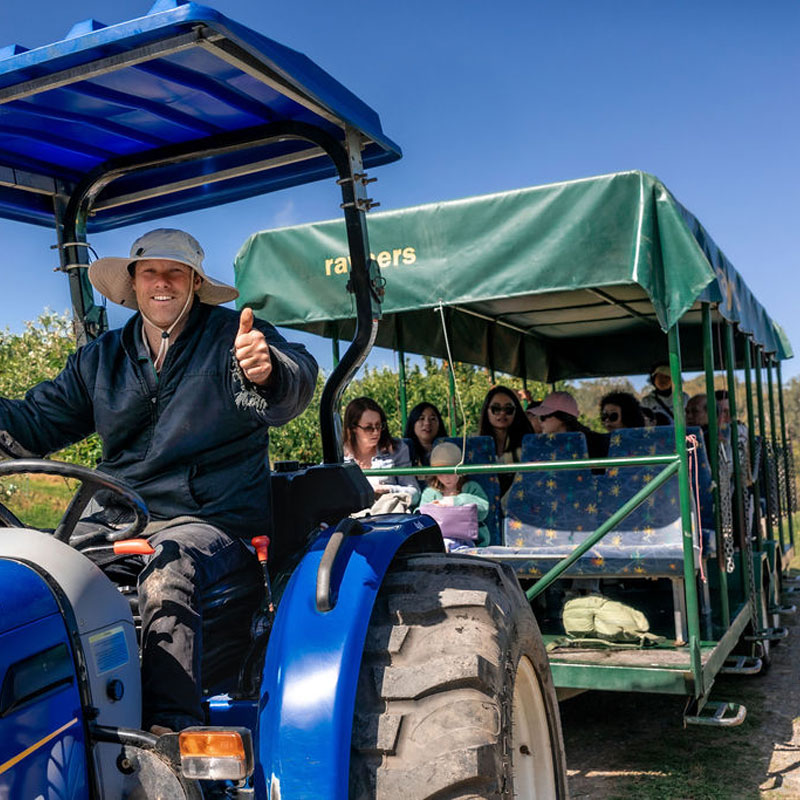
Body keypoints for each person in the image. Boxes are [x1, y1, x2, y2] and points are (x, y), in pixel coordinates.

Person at [0, 228, 318, 735]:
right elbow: (34, 423)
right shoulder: (101, 358)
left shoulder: (233, 340)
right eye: (150, 272)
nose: (162, 282)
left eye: (176, 272)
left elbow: (293, 379)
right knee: (37, 571)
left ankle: (169, 732)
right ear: (133, 283)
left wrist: (268, 371)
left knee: (168, 568)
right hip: (118, 519)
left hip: (211, 520)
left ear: (196, 283)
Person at [343, 397, 420, 506]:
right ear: (353, 428)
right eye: (368, 428)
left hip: (387, 512)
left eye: (379, 426)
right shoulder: (338, 455)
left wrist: (388, 490)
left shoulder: (396, 449)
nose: (376, 432)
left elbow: (415, 494)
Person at [419, 442, 490, 549]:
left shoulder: (471, 488)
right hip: (439, 540)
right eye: (441, 473)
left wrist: (456, 501)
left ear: (460, 469)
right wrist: (432, 508)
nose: (446, 477)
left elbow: (483, 510)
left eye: (451, 472)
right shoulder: (430, 493)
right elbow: (421, 516)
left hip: (470, 541)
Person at [478, 385, 533, 496]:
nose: (502, 413)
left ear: (516, 412)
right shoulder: (474, 445)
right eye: (496, 409)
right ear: (486, 410)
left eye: (508, 409)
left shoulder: (528, 445)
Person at [533, 391, 609, 460]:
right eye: (540, 417)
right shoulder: (545, 445)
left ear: (561, 417)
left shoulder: (592, 445)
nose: (540, 421)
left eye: (543, 417)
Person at [404, 401, 446, 468]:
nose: (427, 423)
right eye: (422, 418)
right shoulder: (403, 450)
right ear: (413, 423)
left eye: (432, 419)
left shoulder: (448, 449)